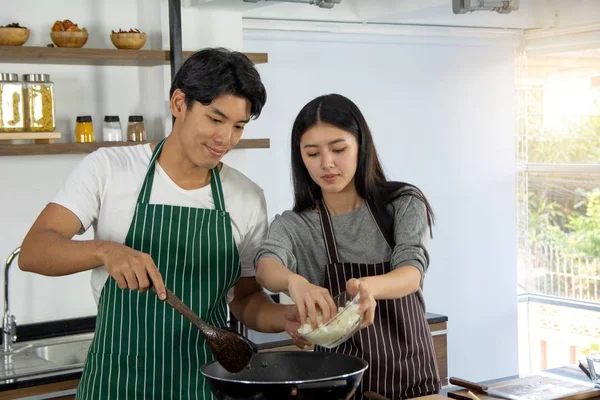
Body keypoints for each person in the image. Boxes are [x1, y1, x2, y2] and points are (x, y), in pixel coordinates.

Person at [19, 47, 299, 400]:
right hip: (115, 384)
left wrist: (283, 317)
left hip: (202, 386)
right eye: (216, 119)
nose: (225, 139)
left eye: (238, 126)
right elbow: (34, 251)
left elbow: (244, 298)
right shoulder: (109, 169)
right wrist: (105, 251)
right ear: (179, 104)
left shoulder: (246, 196)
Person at [255, 93, 441, 400]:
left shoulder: (402, 203)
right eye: (312, 153)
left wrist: (368, 288)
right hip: (337, 385)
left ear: (360, 145)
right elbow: (265, 266)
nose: (326, 164)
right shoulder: (295, 225)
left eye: (338, 149)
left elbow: (411, 272)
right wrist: (294, 281)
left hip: (412, 380)